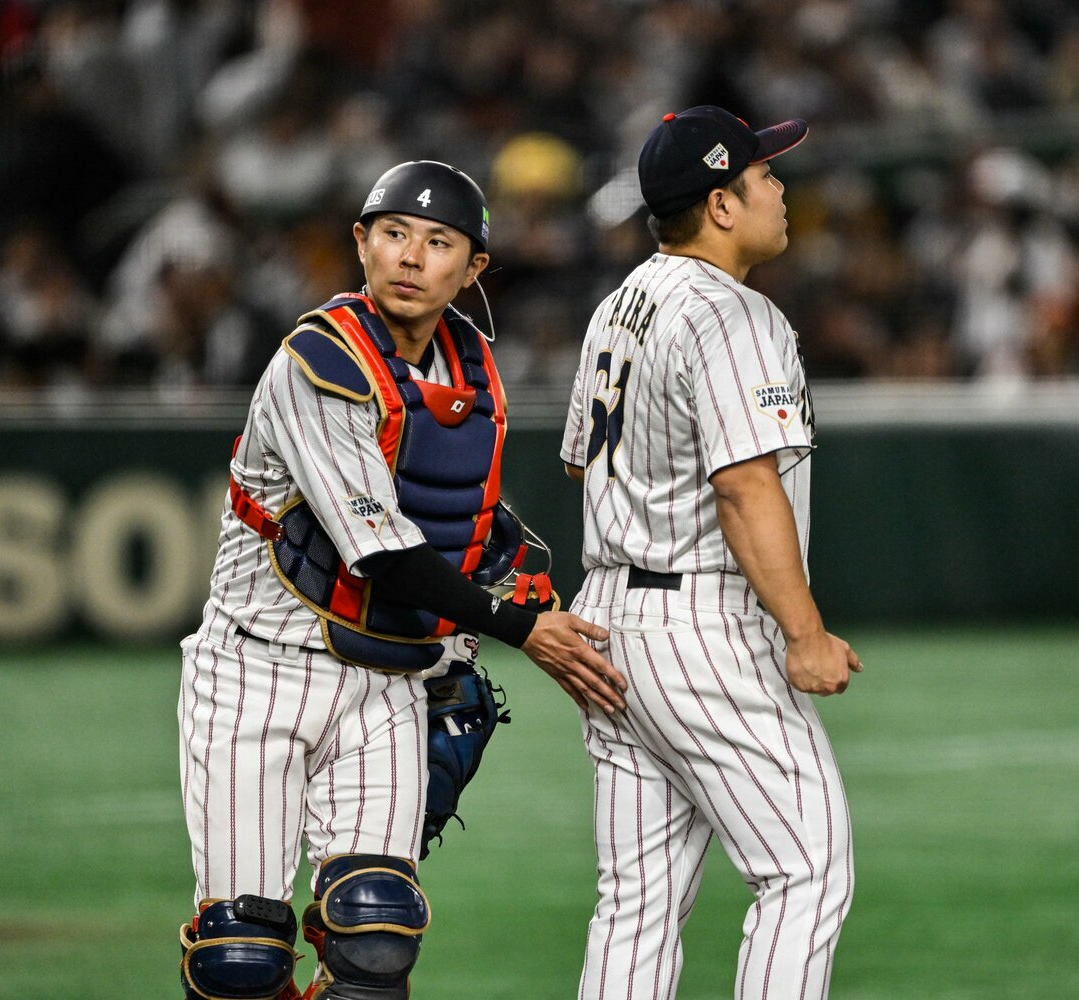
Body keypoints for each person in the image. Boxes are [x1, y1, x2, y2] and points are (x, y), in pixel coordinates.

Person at [178, 159, 627, 1000]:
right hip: (260, 669)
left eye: (438, 242)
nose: (411, 257)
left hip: (388, 678)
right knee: (243, 954)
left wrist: (520, 596)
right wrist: (519, 628)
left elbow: (458, 514)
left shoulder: (470, 365)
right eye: (393, 234)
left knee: (376, 935)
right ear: (362, 243)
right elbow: (380, 553)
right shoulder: (319, 361)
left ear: (474, 266)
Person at [560, 106, 861, 1000]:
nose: (780, 187)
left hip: (609, 616)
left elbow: (580, 462)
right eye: (764, 175)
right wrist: (803, 632)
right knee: (805, 867)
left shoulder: (621, 304)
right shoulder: (733, 314)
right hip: (701, 623)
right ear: (721, 205)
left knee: (637, 903)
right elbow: (744, 486)